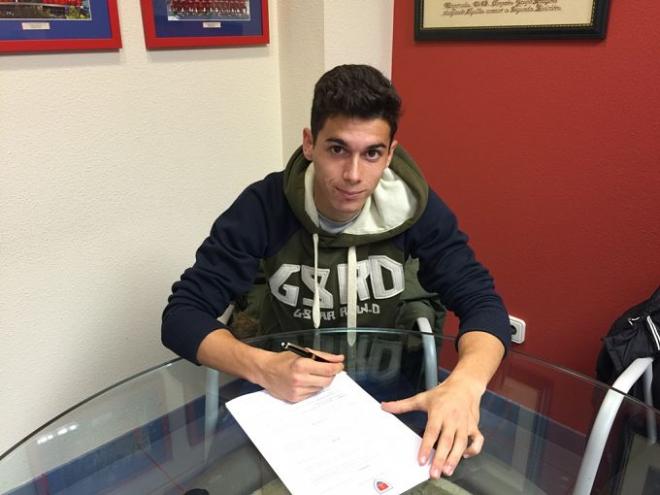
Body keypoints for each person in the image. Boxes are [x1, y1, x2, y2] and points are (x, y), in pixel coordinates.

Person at [162, 64, 510, 479]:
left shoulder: (416, 209)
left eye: (372, 154)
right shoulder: (263, 207)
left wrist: (466, 385)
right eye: (337, 149)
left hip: (390, 400)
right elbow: (182, 317)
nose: (353, 176)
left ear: (391, 153)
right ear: (309, 144)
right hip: (285, 400)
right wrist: (263, 367)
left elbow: (482, 302)